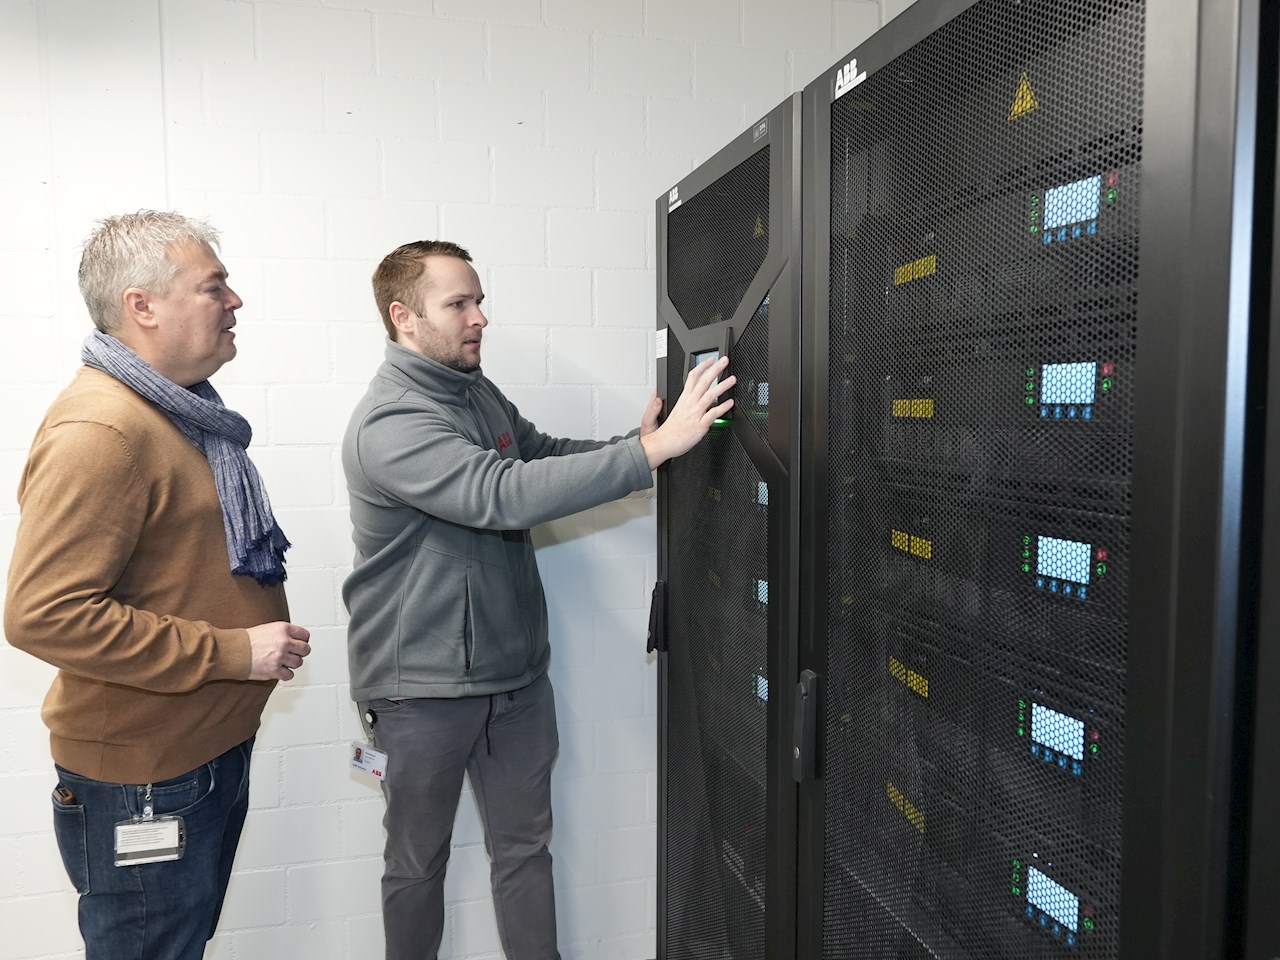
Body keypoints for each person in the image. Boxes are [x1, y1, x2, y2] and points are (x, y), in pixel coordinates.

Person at [342, 240, 733, 959]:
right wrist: (650, 454)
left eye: (479, 299)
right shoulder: (391, 421)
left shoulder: (474, 389)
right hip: (420, 691)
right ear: (403, 317)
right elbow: (500, 494)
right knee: (417, 866)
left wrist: (635, 441)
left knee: (525, 853)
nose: (479, 317)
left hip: (515, 680)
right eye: (458, 303)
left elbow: (538, 455)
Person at [4, 210, 312, 959]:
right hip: (145, 779)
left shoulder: (180, 414)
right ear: (141, 306)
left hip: (191, 758)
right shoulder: (105, 429)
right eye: (214, 286)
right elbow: (43, 615)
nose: (234, 300)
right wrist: (230, 653)